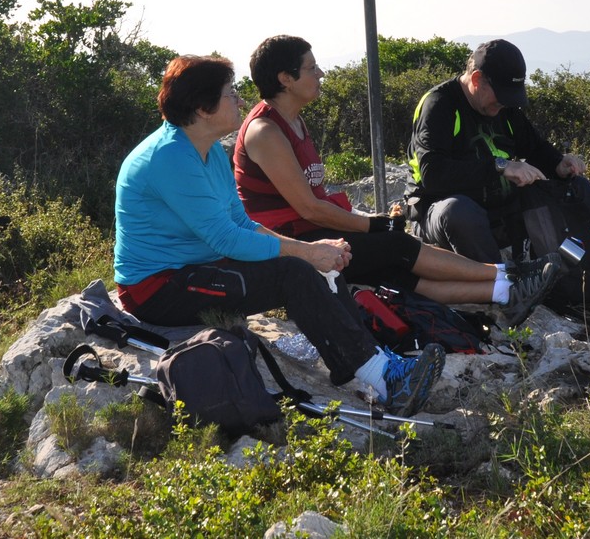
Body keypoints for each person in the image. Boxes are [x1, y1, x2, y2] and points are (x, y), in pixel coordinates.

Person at [114, 54, 444, 415]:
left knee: (316, 264)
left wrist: (311, 250)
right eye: (230, 93)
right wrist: (305, 253)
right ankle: (383, 379)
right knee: (293, 272)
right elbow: (226, 239)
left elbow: (241, 223)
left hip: (197, 267)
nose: (240, 100)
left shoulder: (206, 150)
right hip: (158, 288)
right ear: (203, 108)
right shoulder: (170, 157)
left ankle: (378, 365)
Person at [232, 35, 561, 328]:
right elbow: (310, 209)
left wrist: (367, 223)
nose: (320, 73)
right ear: (285, 79)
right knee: (396, 245)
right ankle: (511, 275)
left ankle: (505, 292)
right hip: (290, 242)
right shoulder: (266, 131)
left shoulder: (294, 121)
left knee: (395, 274)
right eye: (311, 68)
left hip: (311, 232)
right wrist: (373, 225)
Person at [405, 39, 590, 307]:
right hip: (440, 216)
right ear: (476, 80)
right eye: (501, 95)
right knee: (458, 211)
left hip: (498, 210)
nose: (504, 104)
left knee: (574, 188)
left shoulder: (504, 108)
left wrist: (560, 164)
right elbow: (433, 174)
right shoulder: (440, 104)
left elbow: (535, 148)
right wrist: (502, 166)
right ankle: (506, 291)